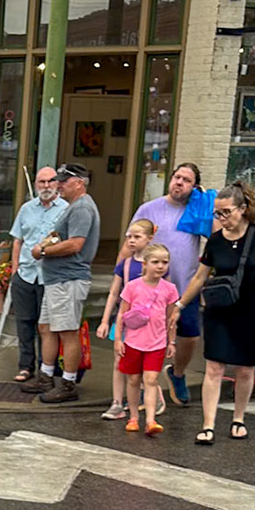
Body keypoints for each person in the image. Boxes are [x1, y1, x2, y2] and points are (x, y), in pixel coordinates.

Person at [176, 181, 255, 445]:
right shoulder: (215, 241)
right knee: (214, 366)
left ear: (243, 208)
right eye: (218, 213)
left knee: (246, 368)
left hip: (254, 307)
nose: (221, 218)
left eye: (226, 212)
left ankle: (238, 418)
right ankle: (208, 425)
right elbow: (199, 277)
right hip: (220, 309)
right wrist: (179, 305)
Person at [130, 162, 206, 405]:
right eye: (177, 177)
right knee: (147, 340)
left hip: (186, 286)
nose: (179, 183)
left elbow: (215, 234)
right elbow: (131, 241)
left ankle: (178, 373)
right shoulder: (150, 209)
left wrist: (203, 202)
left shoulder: (196, 211)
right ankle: (144, 385)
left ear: (194, 187)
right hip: (152, 289)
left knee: (190, 336)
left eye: (187, 180)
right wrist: (122, 273)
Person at [26, 162, 101, 403]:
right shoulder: (72, 207)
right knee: (47, 328)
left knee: (67, 332)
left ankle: (68, 383)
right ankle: (46, 376)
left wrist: (44, 252)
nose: (58, 185)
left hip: (69, 279)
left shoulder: (81, 209)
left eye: (64, 181)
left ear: (79, 183)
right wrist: (44, 243)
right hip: (56, 279)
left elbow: (75, 244)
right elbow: (61, 235)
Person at [95, 216, 158, 421]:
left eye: (137, 236)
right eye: (129, 236)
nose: (131, 240)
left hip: (148, 324)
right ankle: (116, 402)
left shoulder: (155, 265)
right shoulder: (125, 264)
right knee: (119, 361)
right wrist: (105, 321)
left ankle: (148, 396)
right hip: (125, 319)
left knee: (142, 363)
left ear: (149, 238)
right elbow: (114, 293)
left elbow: (164, 294)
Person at [115, 244, 181, 435]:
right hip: (133, 341)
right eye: (155, 262)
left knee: (151, 379)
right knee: (134, 379)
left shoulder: (169, 289)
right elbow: (122, 314)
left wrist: (172, 342)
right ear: (145, 264)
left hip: (157, 342)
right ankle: (134, 416)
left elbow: (171, 319)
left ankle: (151, 420)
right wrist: (119, 339)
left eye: (165, 262)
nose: (160, 266)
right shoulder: (132, 286)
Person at [7, 167, 66, 383]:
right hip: (25, 275)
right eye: (42, 182)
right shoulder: (26, 209)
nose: (46, 186)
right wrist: (15, 271)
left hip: (49, 276)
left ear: (57, 184)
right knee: (24, 323)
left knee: (47, 326)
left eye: (50, 181)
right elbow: (17, 240)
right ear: (36, 184)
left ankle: (46, 367)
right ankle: (25, 366)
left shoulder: (65, 210)